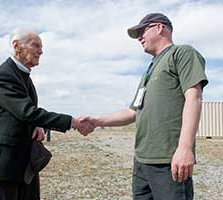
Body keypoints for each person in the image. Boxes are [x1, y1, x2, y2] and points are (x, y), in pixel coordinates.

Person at [82, 13, 208, 199]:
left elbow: (194, 98)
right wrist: (97, 120)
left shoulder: (181, 53)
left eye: (142, 31)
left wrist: (184, 148)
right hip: (142, 161)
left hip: (168, 161)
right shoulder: (148, 71)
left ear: (159, 27)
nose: (139, 37)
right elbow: (132, 112)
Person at [0, 28, 93, 200]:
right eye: (35, 45)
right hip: (6, 164)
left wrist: (37, 125)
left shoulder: (22, 75)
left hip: (24, 163)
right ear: (16, 46)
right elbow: (27, 112)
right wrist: (72, 122)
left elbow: (20, 112)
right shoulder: (4, 75)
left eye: (41, 47)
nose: (41, 51)